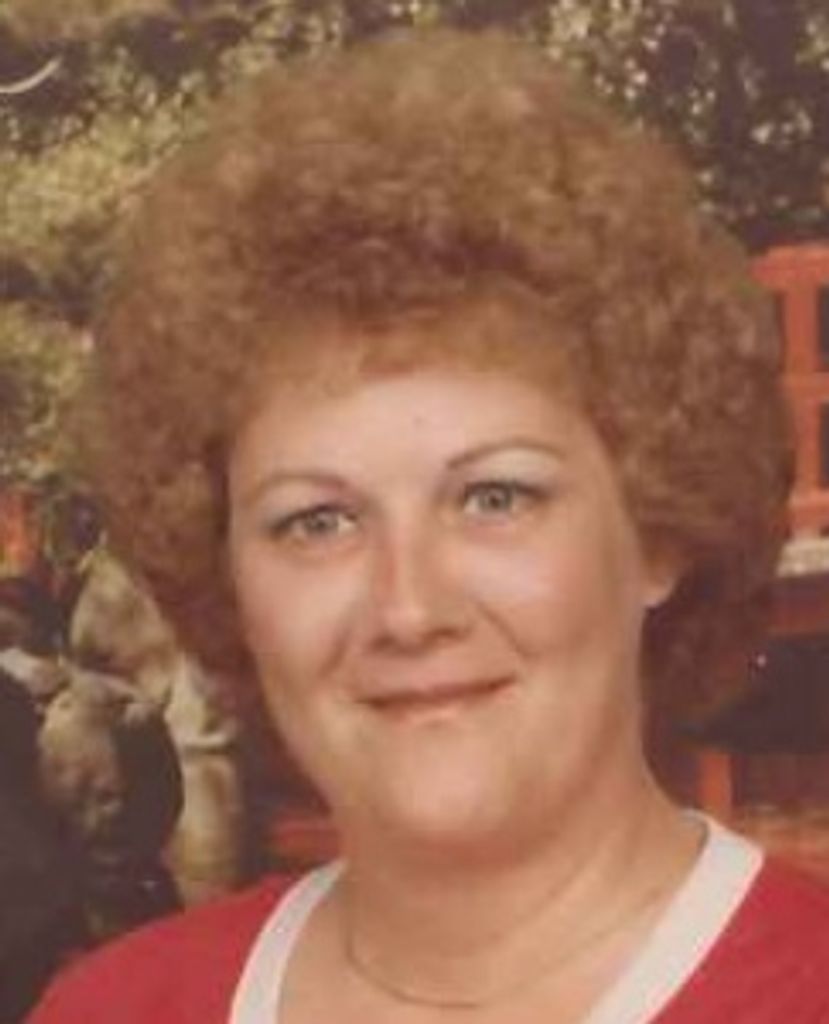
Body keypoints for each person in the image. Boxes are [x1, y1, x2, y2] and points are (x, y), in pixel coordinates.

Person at [27, 28, 829, 1024]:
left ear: (656, 532)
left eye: (495, 498)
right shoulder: (115, 1008)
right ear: (228, 577)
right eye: (317, 520)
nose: (407, 607)